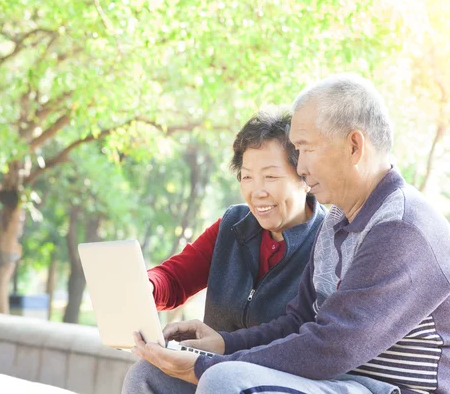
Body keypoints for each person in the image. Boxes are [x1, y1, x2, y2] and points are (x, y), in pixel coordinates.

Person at [125, 74, 450, 394]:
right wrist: (222, 347)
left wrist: (207, 366)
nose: (303, 166)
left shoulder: (401, 228)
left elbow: (332, 346)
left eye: (306, 149)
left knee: (223, 381)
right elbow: (298, 322)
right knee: (150, 376)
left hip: (387, 388)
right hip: (336, 379)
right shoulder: (339, 220)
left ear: (354, 146)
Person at [123, 106, 327, 392]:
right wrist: (147, 286)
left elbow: (309, 336)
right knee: (145, 374)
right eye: (246, 177)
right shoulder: (233, 225)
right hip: (211, 369)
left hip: (276, 376)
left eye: (270, 177)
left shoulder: (329, 242)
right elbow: (176, 278)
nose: (257, 191)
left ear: (304, 178)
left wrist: (225, 347)